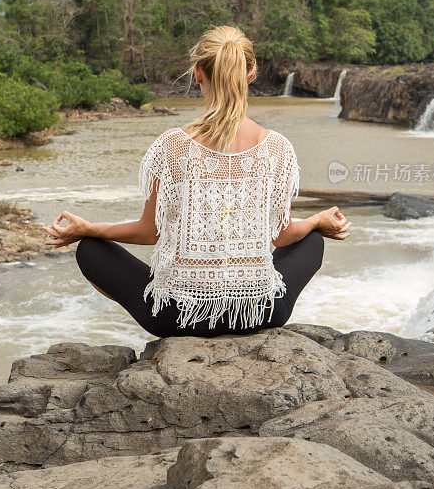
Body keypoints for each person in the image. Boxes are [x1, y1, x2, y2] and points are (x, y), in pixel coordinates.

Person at [42, 25, 351, 338]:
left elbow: (149, 233)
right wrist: (317, 220)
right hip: (262, 312)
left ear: (198, 74)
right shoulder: (277, 148)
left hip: (178, 317)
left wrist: (87, 230)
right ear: (251, 73)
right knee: (311, 239)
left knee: (90, 249)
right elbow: (282, 236)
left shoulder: (173, 146)